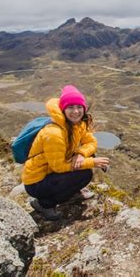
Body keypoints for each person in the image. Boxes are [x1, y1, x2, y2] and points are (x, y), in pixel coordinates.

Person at [22, 85, 109, 220]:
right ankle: (43, 204)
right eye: (71, 107)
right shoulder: (54, 133)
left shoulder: (77, 124)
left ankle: (72, 191)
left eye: (79, 107)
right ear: (63, 109)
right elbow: (58, 167)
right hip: (37, 182)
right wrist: (92, 163)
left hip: (51, 171)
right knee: (84, 173)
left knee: (88, 157)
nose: (76, 111)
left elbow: (91, 142)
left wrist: (80, 153)